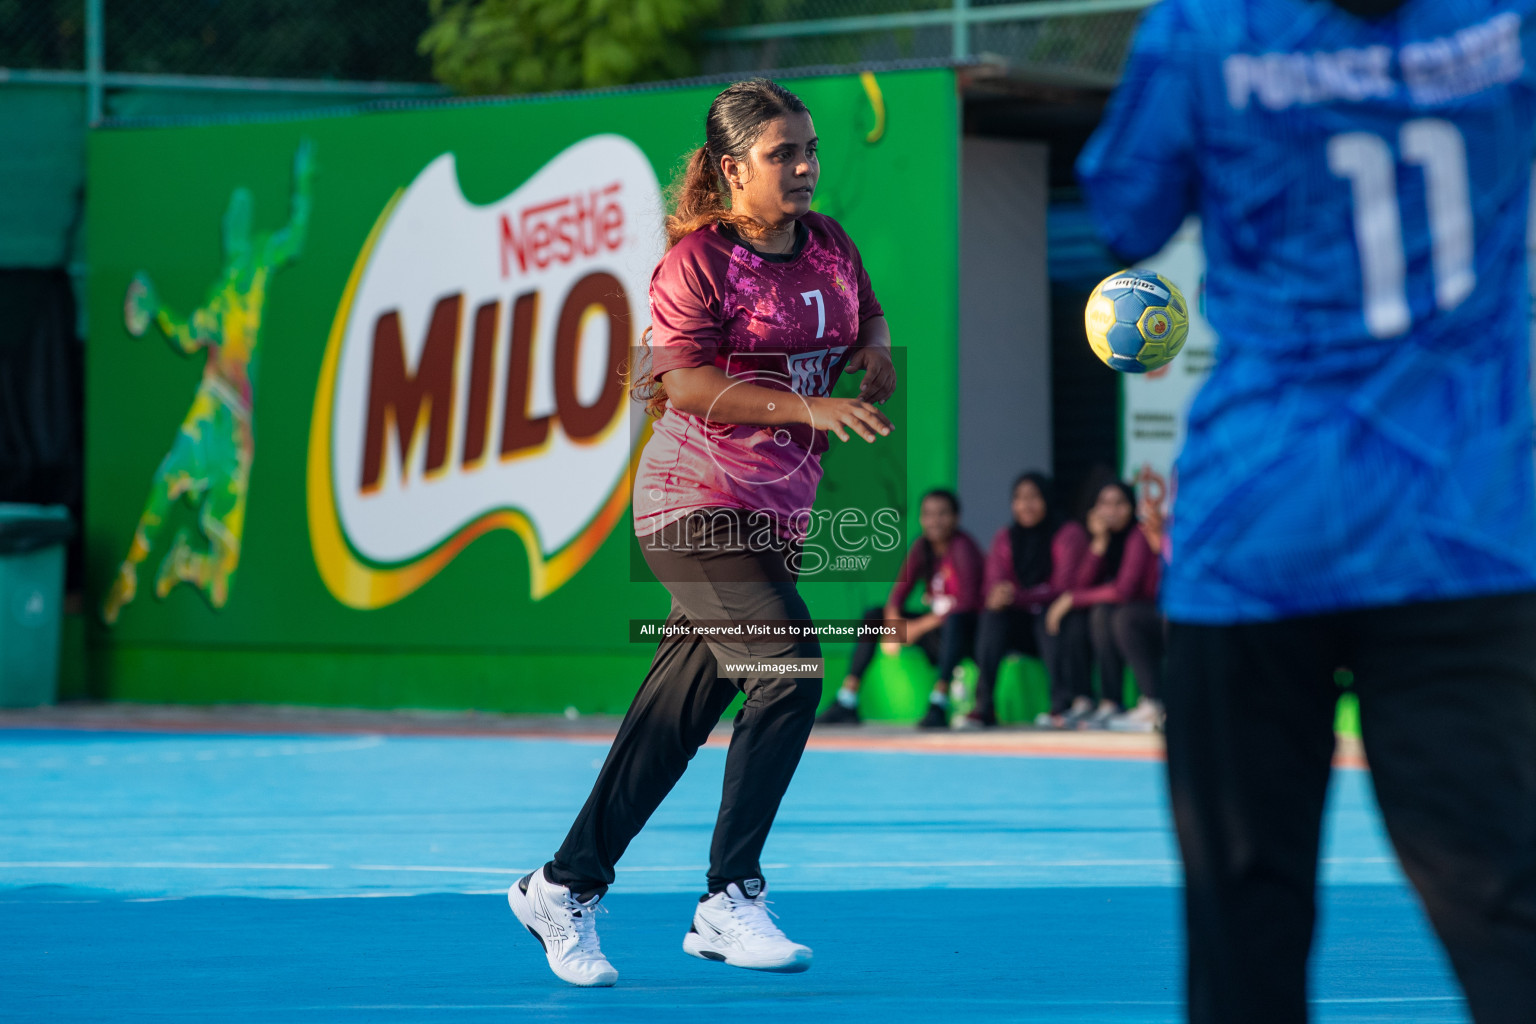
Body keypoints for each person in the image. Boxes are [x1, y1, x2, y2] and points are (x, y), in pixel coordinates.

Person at [1078, 2, 1536, 1021]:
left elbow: (1124, 209)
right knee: (1503, 899)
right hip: (1460, 526)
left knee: (1247, 913)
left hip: (1261, 528)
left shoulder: (1206, 29)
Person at [509, 79, 896, 988]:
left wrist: (871, 355)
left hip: (776, 516)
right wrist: (812, 406)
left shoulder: (832, 246)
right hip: (695, 506)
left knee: (670, 725)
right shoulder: (699, 264)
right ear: (731, 168)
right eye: (781, 155)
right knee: (792, 665)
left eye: (809, 151)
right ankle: (731, 897)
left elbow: (868, 314)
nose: (803, 168)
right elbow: (681, 386)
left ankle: (562, 886)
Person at [817, 489, 983, 729]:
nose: (935, 520)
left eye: (942, 514)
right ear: (921, 519)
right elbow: (897, 595)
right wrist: (895, 625)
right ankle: (847, 700)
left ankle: (939, 702)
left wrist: (916, 627)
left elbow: (967, 603)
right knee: (874, 616)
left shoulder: (963, 548)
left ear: (956, 518)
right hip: (933, 632)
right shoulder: (922, 547)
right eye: (928, 514)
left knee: (955, 620)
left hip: (961, 637)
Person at [956, 472, 1086, 729]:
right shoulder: (1006, 536)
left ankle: (1061, 705)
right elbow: (993, 580)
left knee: (1047, 616)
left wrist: (1018, 596)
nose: (1026, 505)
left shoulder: (1068, 532)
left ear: (1047, 499)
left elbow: (1064, 587)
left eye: (1034, 497)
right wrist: (996, 595)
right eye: (1019, 499)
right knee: (992, 617)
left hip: (1055, 622)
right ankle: (983, 707)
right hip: (1020, 624)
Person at [1043, 479, 1161, 729]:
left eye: (1120, 504)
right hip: (1120, 611)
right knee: (1084, 618)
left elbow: (1124, 589)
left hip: (1153, 611)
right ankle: (1092, 701)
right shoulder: (1099, 539)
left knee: (1114, 616)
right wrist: (1099, 544)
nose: (1112, 511)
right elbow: (1082, 584)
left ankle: (1141, 702)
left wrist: (1071, 599)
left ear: (1132, 507)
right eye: (1105, 504)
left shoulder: (1138, 534)